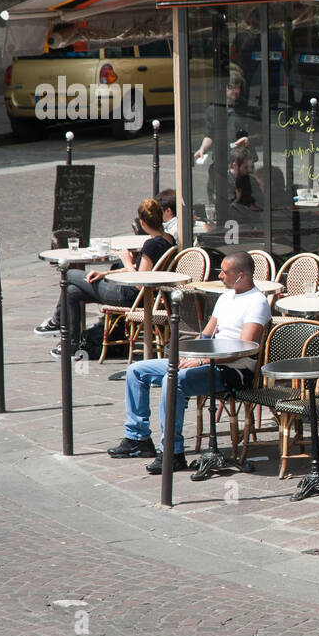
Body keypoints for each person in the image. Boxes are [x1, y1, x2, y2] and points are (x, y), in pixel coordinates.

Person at [107, 253, 270, 472]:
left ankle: (173, 453)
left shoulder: (256, 302)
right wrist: (190, 356)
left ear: (241, 275)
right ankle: (138, 439)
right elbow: (205, 336)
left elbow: (244, 348)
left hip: (233, 370)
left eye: (224, 271)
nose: (220, 275)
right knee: (137, 370)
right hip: (207, 361)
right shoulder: (226, 297)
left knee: (174, 380)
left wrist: (201, 359)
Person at [36, 198, 173, 359]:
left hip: (130, 295)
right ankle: (71, 345)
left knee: (70, 274)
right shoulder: (168, 239)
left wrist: (127, 261)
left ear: (142, 223)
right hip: (138, 294)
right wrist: (105, 274)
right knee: (72, 291)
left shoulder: (151, 245)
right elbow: (143, 271)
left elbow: (139, 283)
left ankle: (56, 322)